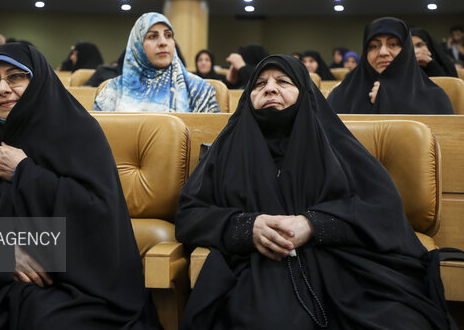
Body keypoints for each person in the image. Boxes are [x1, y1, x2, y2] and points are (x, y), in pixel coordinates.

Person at [175, 54, 455, 329]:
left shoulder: (336, 145)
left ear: (305, 92)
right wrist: (248, 227)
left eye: (283, 81)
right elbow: (190, 215)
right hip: (258, 264)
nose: (270, 88)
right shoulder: (227, 149)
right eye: (259, 85)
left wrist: (313, 223)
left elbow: (382, 209)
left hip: (343, 261)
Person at [0, 42, 161, 329]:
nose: (3, 88)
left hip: (69, 284)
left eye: (15, 76)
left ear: (38, 80)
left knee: (45, 320)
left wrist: (24, 173)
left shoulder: (80, 132)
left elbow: (98, 215)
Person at [94, 12, 219, 113]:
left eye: (168, 35)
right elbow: (98, 140)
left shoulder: (200, 90)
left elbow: (209, 139)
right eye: (153, 36)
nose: (163, 42)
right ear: (138, 46)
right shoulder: (112, 90)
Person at [328, 17, 453, 114]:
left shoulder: (434, 97)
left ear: (406, 51)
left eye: (393, 44)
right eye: (374, 46)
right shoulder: (342, 94)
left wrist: (392, 99)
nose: (383, 52)